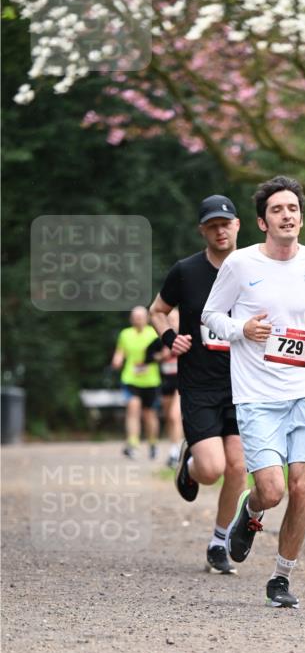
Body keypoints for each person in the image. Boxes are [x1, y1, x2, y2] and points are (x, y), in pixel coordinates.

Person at [201, 175, 305, 608]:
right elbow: (211, 315)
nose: (287, 215)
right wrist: (242, 329)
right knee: (272, 491)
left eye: (293, 209)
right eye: (277, 210)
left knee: (302, 486)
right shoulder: (241, 264)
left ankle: (281, 578)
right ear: (262, 222)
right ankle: (251, 513)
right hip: (256, 396)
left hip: (304, 390)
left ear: (301, 219)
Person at [149, 195, 247, 574]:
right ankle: (190, 465)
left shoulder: (256, 268)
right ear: (202, 231)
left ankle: (218, 542)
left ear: (238, 225)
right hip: (199, 384)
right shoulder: (186, 271)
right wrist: (170, 338)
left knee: (238, 466)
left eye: (225, 224)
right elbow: (158, 311)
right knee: (211, 469)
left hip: (244, 384)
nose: (220, 231)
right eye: (212, 226)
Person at [111, 306, 161, 460]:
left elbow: (163, 354)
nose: (138, 320)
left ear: (147, 318)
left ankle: (152, 443)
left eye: (140, 317)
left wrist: (150, 360)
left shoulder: (154, 333)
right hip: (130, 378)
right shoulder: (125, 334)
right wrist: (117, 360)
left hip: (151, 380)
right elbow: (120, 352)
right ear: (131, 319)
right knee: (133, 408)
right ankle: (133, 443)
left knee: (149, 414)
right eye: (135, 317)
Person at [144, 308, 184, 468]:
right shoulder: (160, 340)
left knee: (175, 416)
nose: (172, 322)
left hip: (183, 382)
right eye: (169, 319)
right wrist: (161, 356)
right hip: (166, 383)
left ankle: (175, 452)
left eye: (175, 319)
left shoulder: (187, 337)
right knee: (170, 418)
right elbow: (148, 357)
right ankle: (177, 446)